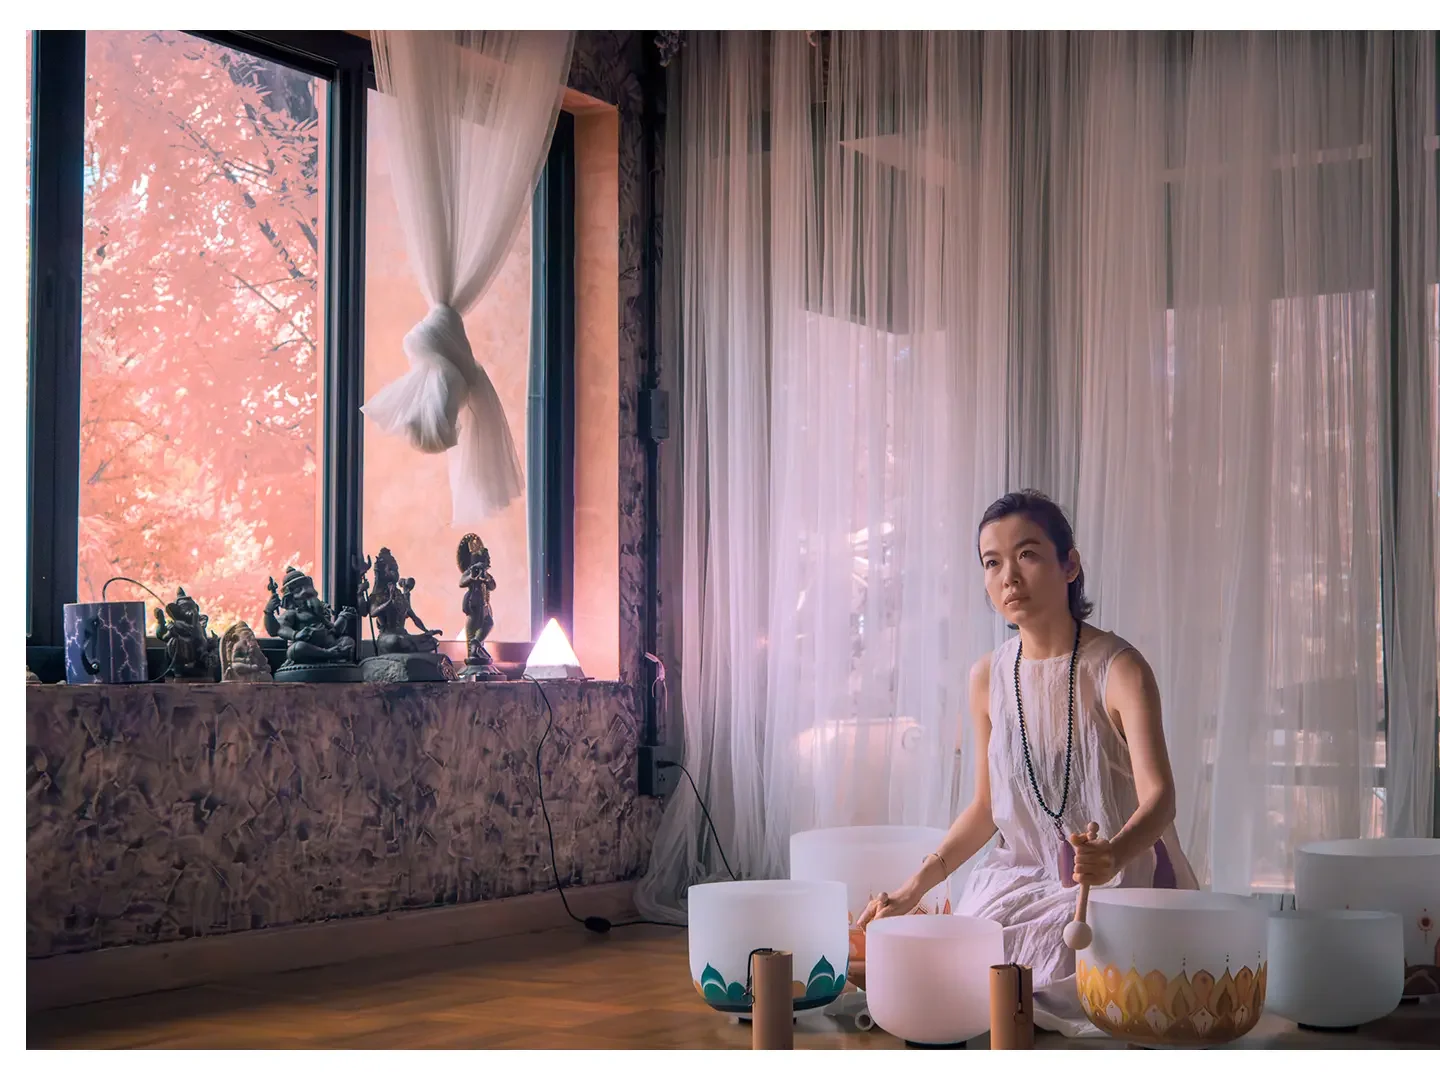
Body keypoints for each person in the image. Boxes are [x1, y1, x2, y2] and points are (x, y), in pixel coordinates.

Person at [856, 489, 1197, 1037]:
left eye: (1028, 554)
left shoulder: (1120, 669)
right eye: (992, 563)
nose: (1009, 577)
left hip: (1113, 881)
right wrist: (914, 887)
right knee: (960, 962)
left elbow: (1161, 799)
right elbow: (986, 808)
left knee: (1059, 972)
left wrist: (1111, 855)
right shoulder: (987, 676)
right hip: (1017, 877)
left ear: (1070, 565)